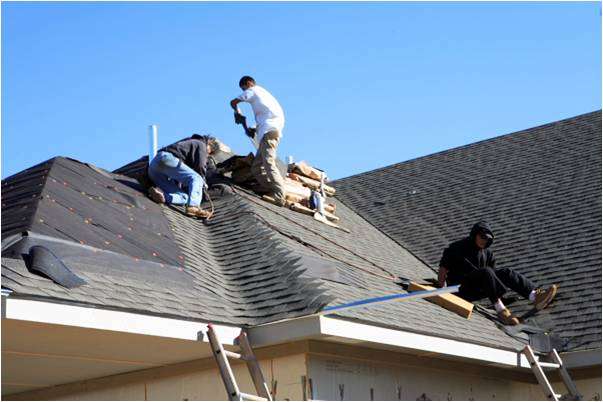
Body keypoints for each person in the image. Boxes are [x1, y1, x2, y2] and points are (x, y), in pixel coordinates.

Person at [438, 221, 558, 325]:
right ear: (475, 234)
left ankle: (535, 296)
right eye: (482, 237)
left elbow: (493, 278)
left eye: (488, 239)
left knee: (505, 272)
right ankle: (501, 310)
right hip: (459, 289)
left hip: (477, 289)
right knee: (486, 271)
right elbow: (443, 269)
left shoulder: (488, 254)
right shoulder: (457, 248)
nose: (484, 241)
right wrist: (441, 290)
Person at [230, 76, 286, 206]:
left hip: (269, 132)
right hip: (269, 130)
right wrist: (253, 128)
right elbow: (268, 115)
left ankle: (279, 194)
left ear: (248, 83)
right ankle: (272, 189)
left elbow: (232, 102)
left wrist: (237, 113)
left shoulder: (253, 90)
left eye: (243, 88)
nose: (244, 91)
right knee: (256, 167)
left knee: (268, 162)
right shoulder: (264, 96)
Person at [147, 134, 216, 218]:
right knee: (197, 178)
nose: (207, 156)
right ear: (209, 145)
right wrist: (203, 183)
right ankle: (193, 206)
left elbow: (180, 175)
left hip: (154, 167)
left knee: (184, 197)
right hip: (167, 159)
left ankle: (162, 196)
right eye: (209, 153)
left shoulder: (189, 145)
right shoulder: (201, 144)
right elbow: (200, 166)